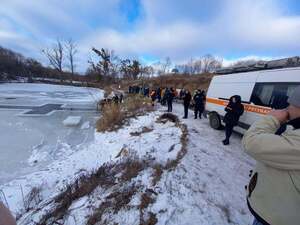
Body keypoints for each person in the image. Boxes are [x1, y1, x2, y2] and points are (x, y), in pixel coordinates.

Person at [242, 86, 300, 225]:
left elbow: (250, 142)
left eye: (290, 105)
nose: (287, 109)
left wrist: (271, 119)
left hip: (274, 219)